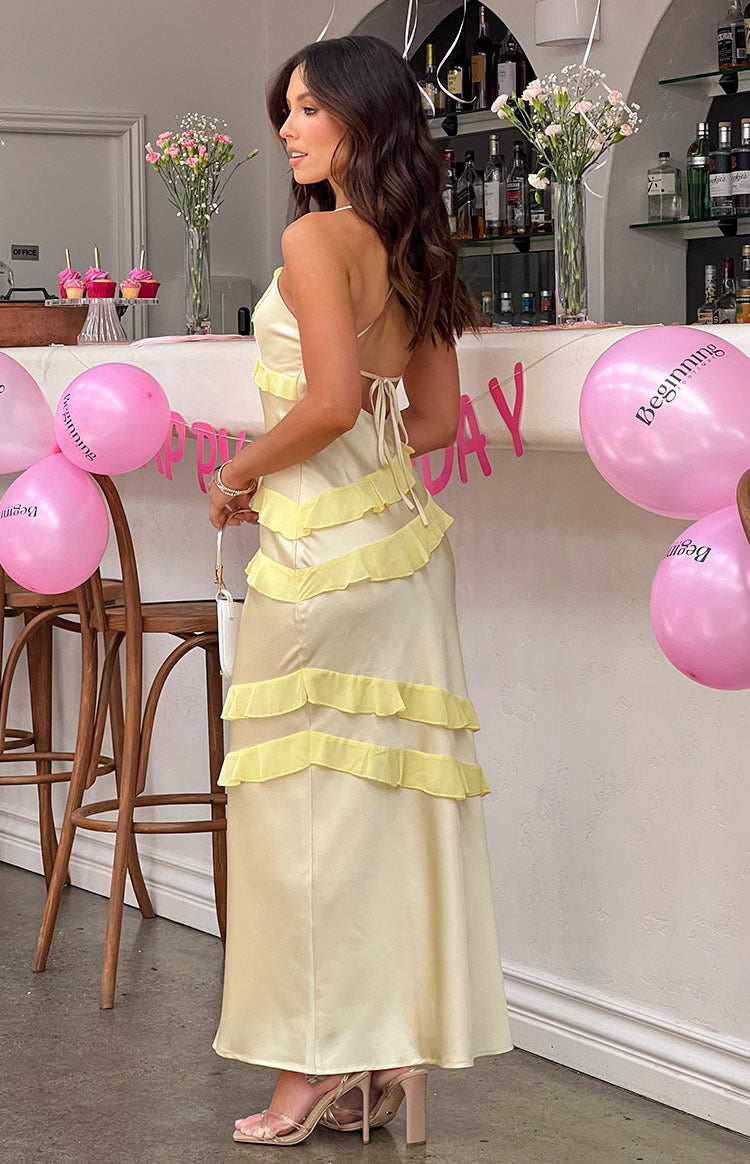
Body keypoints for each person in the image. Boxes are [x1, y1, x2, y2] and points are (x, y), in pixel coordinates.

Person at [207, 34, 514, 1148]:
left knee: (297, 826)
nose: (287, 129)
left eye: (306, 109)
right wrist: (327, 458)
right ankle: (385, 1060)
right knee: (376, 818)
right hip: (402, 555)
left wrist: (238, 473)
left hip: (318, 566)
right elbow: (428, 422)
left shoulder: (313, 237)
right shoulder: (412, 244)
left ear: (360, 118)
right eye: (285, 109)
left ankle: (309, 1069)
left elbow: (332, 401)